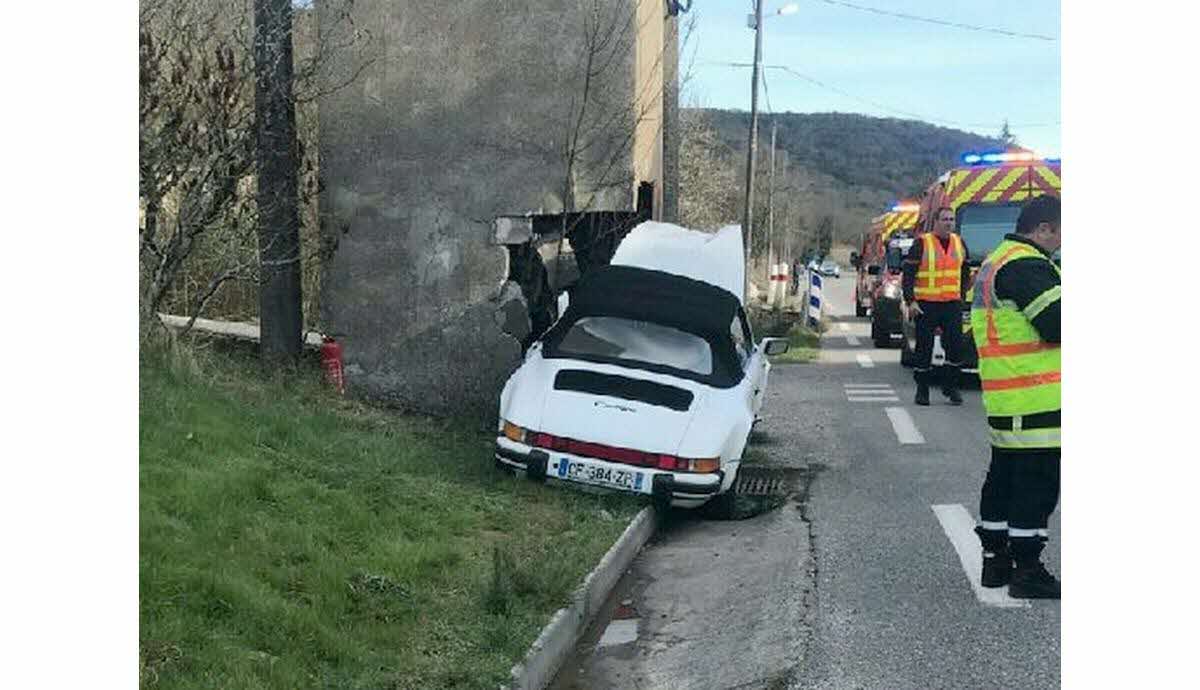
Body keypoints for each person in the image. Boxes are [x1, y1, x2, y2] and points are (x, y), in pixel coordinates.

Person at [969, 194, 1062, 599]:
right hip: (1036, 399)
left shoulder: (996, 261)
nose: (1062, 242)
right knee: (1035, 485)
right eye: (1061, 232)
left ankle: (996, 561)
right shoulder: (1028, 265)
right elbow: (1057, 324)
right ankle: (1027, 569)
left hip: (1007, 397)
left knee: (1004, 479)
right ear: (1043, 229)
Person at [902, 207, 971, 406]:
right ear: (936, 221)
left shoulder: (959, 243)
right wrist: (911, 301)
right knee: (924, 349)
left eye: (951, 219)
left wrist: (962, 294)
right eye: (945, 219)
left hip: (951, 303)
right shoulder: (922, 243)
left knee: (956, 347)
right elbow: (908, 275)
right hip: (926, 304)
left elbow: (965, 269)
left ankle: (950, 386)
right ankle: (922, 390)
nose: (949, 223)